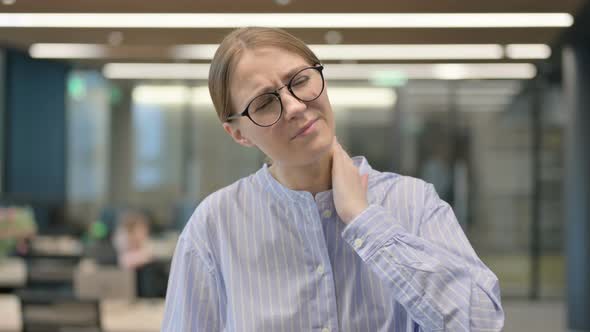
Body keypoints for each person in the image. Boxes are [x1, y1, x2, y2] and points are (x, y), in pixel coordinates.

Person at [162, 27, 504, 332]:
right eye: (265, 102)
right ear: (238, 134)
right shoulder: (214, 226)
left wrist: (367, 222)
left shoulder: (413, 202)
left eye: (299, 81)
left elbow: (481, 323)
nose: (295, 106)